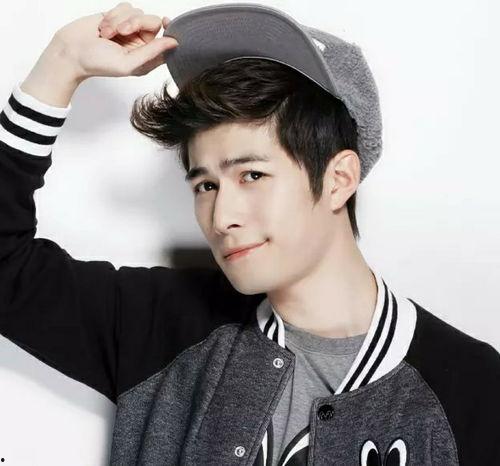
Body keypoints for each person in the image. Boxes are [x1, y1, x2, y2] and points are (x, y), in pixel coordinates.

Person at [0, 2, 499, 465]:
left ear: (338, 179)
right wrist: (62, 62)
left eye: (252, 175)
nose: (221, 217)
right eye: (205, 185)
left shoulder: (474, 389)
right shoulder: (158, 325)